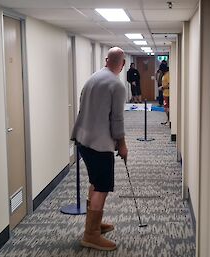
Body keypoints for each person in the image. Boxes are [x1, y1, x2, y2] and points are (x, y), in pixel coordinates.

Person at [71, 47, 128, 251]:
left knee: (95, 182)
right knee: (102, 187)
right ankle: (91, 234)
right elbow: (117, 119)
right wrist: (122, 145)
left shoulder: (92, 78)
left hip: (83, 139)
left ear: (106, 60)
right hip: (100, 144)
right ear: (122, 64)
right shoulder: (116, 85)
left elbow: (82, 106)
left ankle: (93, 224)